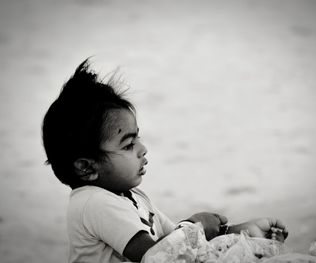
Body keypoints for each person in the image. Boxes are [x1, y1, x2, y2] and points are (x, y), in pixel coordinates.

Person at [42, 59, 288, 263]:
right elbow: (158, 256)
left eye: (137, 139)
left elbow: (177, 241)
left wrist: (237, 233)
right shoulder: (92, 203)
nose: (143, 149)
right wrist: (195, 225)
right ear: (87, 167)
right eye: (128, 145)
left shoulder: (132, 196)